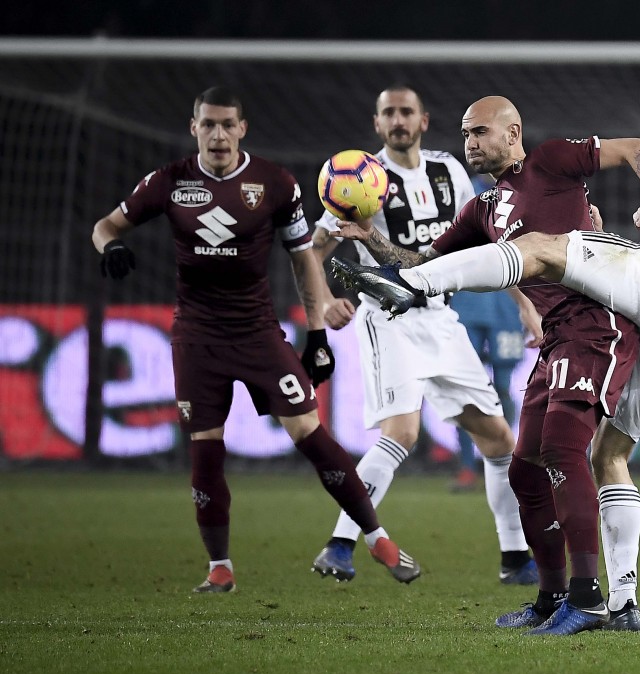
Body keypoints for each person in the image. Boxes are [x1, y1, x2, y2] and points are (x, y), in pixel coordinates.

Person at [336, 125, 640, 629]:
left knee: (542, 249)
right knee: (606, 455)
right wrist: (371, 237)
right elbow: (434, 254)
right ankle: (624, 603)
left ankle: (410, 289)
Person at [90, 86, 421, 593]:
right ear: (193, 127)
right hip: (197, 339)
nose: (218, 134)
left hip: (258, 333)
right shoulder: (169, 181)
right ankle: (219, 568)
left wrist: (315, 333)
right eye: (208, 125)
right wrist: (110, 246)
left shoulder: (274, 183)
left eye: (227, 125)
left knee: (312, 435)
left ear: (242, 128)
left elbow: (303, 257)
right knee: (206, 450)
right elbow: (104, 225)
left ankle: (376, 538)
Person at [309, 85, 538, 586]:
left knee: (500, 440)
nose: (397, 119)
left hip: (439, 317)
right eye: (388, 112)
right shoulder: (356, 176)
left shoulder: (447, 170)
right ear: (377, 123)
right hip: (387, 318)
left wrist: (524, 304)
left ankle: (515, 558)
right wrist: (323, 303)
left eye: (405, 111)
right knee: (403, 433)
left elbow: (489, 238)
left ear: (423, 120)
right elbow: (313, 249)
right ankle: (341, 544)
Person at [448, 289, 526, 493]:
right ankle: (467, 466)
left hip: (506, 306)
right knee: (465, 390)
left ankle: (507, 461)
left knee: (502, 388)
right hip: (465, 303)